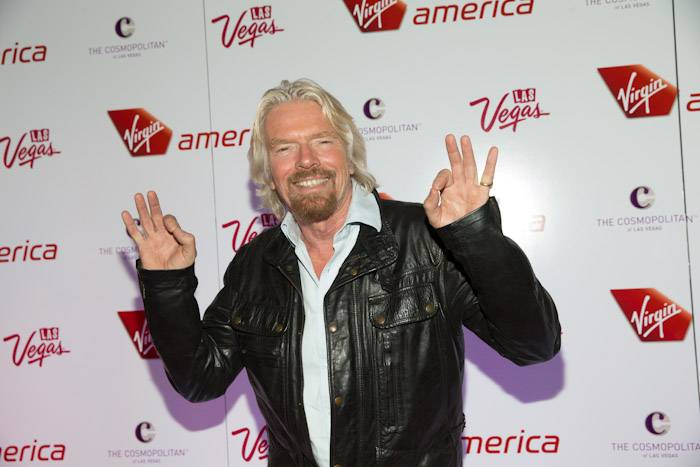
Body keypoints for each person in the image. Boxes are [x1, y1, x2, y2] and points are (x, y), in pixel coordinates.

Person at [121, 79, 560, 467]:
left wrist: (474, 236)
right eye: (284, 148)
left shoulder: (426, 240)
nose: (306, 161)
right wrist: (167, 284)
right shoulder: (255, 265)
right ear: (269, 172)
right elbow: (199, 380)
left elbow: (535, 344)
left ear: (349, 156)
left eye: (322, 141)